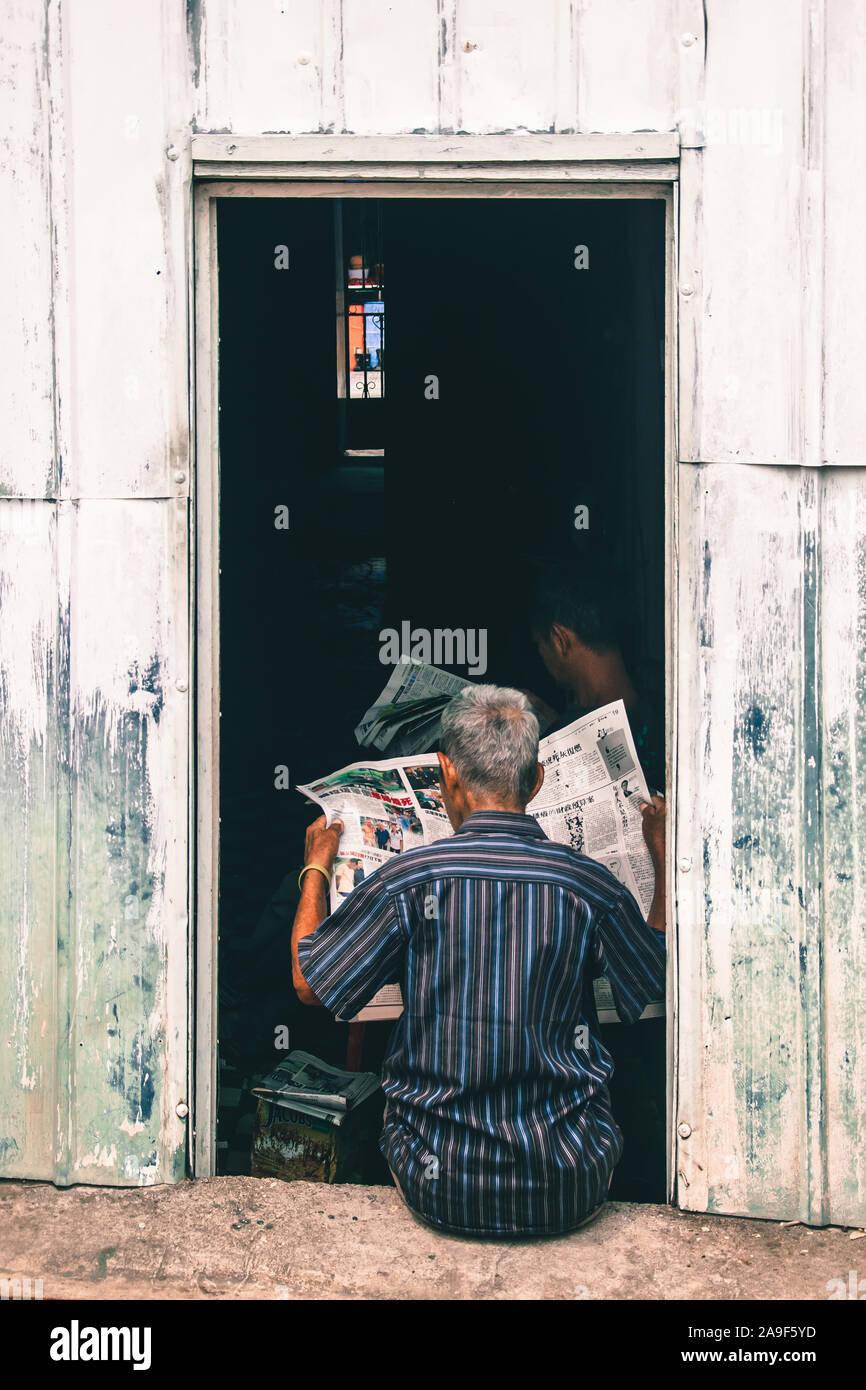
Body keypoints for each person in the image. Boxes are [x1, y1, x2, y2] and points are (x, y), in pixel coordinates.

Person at [290, 685, 666, 1238]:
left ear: (446, 777)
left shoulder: (410, 881)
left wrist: (316, 868)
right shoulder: (586, 886)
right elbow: (651, 971)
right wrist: (659, 852)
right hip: (568, 1187)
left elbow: (308, 984)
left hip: (438, 1187)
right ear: (537, 781)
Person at [526, 562, 667, 1202]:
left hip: (620, 956)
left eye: (543, 650)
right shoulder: (634, 709)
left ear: (560, 639)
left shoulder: (642, 730)